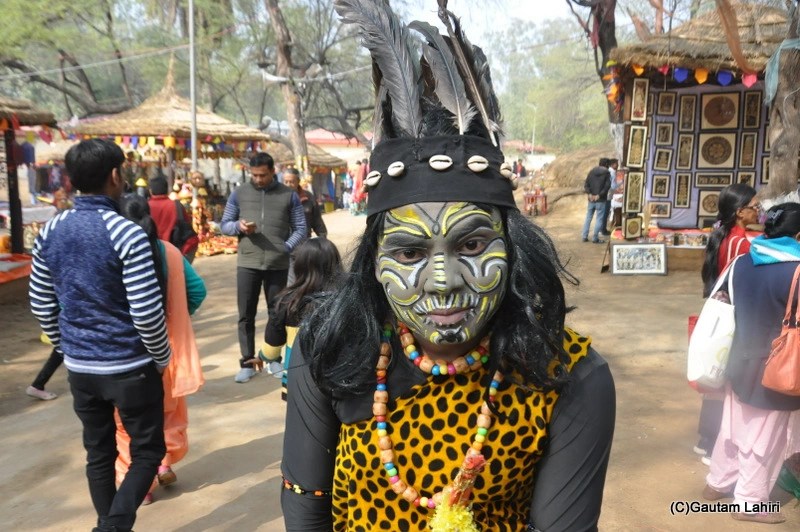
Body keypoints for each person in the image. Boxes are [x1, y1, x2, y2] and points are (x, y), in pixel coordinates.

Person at [281, 2, 616, 530]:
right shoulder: (330, 345)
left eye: (473, 244)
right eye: (410, 253)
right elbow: (305, 506)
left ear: (513, 244)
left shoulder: (567, 373)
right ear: (373, 262)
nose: (444, 281)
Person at [29, 138, 170, 532]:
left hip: (80, 367)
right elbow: (145, 311)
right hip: (129, 366)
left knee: (99, 453)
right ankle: (112, 526)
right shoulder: (126, 233)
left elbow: (41, 303)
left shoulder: (50, 230)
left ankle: (108, 524)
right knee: (148, 452)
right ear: (114, 175)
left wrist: (66, 346)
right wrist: (161, 358)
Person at [702, 203, 800, 525]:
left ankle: (717, 483)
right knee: (765, 438)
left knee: (732, 427)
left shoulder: (741, 262)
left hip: (737, 359)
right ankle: (750, 503)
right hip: (777, 368)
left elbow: (720, 302)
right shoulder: (797, 270)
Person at [114, 194, 206, 505]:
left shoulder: (111, 252)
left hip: (125, 354)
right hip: (168, 350)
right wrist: (178, 316)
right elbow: (197, 291)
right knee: (167, 413)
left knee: (127, 423)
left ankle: (140, 488)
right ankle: (162, 462)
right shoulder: (168, 251)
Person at [220, 152, 307, 383]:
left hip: (277, 264)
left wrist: (285, 247)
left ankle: (273, 358)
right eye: (255, 175)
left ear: (272, 171)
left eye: (263, 175)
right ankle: (247, 362)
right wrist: (238, 226)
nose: (258, 179)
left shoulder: (289, 196)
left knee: (277, 313)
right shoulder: (239, 194)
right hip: (247, 263)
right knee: (245, 315)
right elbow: (224, 225)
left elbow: (301, 228)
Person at [694, 184, 759, 463]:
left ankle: (706, 440)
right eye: (754, 206)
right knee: (725, 379)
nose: (759, 211)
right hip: (732, 316)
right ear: (740, 211)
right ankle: (712, 445)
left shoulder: (729, 236)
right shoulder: (739, 242)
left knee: (717, 378)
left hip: (721, 313)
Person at [257, 238, 342, 398]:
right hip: (338, 378)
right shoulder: (346, 297)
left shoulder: (287, 302)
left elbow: (272, 347)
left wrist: (262, 357)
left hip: (299, 382)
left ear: (299, 266)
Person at [282, 168, 328, 285]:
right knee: (291, 283)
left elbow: (317, 220)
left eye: (291, 182)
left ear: (298, 181)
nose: (288, 185)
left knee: (307, 280)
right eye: (286, 182)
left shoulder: (308, 198)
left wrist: (322, 238)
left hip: (304, 246)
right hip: (285, 246)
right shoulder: (277, 199)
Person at [148, 175, 199, 263]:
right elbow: (187, 228)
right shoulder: (176, 205)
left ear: (151, 191)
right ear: (167, 189)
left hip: (153, 253)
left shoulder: (146, 206)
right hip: (174, 252)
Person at [581, 158, 611, 243]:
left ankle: (584, 236)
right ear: (606, 165)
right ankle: (595, 238)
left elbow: (586, 184)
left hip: (591, 199)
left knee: (588, 217)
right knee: (599, 219)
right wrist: (599, 195)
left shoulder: (592, 171)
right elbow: (607, 186)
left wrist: (590, 194)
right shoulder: (607, 173)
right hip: (600, 200)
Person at [602, 159, 618, 234]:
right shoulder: (612, 172)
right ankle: (603, 230)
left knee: (605, 213)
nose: (617, 165)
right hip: (608, 195)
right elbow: (613, 186)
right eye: (616, 164)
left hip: (606, 194)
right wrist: (622, 182)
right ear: (612, 164)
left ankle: (602, 229)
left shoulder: (609, 171)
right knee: (606, 213)